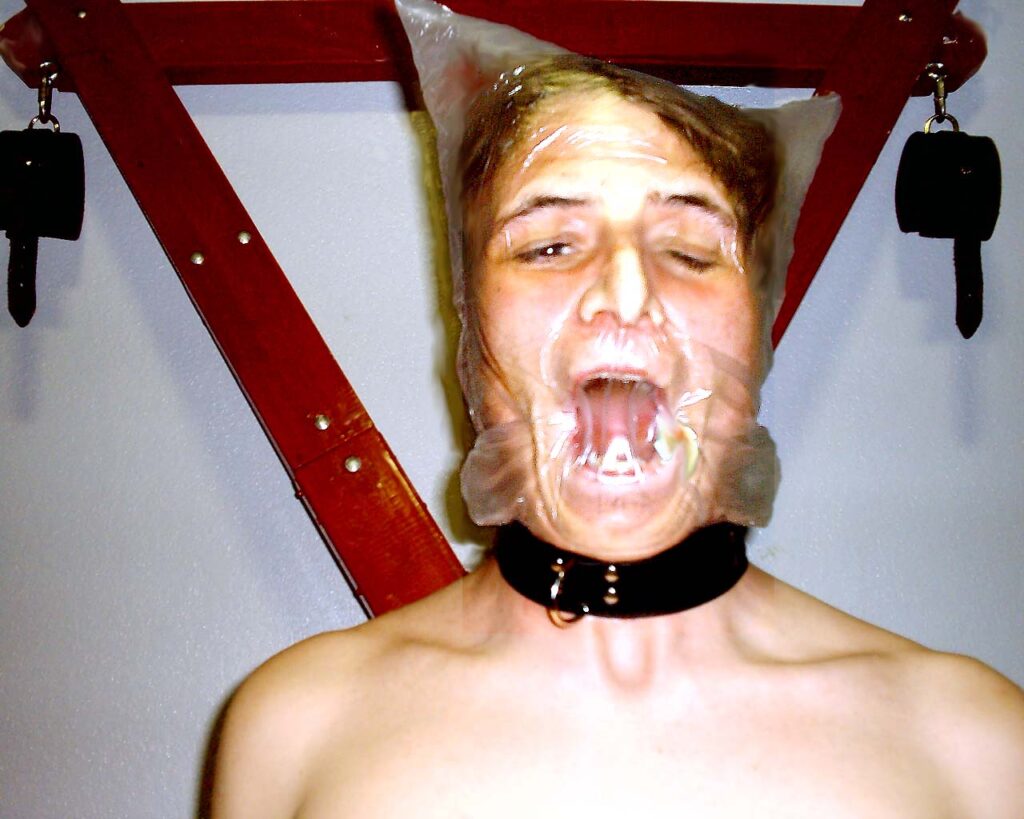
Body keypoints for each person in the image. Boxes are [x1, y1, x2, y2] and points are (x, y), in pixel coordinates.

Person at [211, 56, 1024, 818]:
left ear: (758, 320)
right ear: (469, 318)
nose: (627, 292)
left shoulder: (972, 745)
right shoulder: (295, 730)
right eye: (548, 245)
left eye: (690, 251)